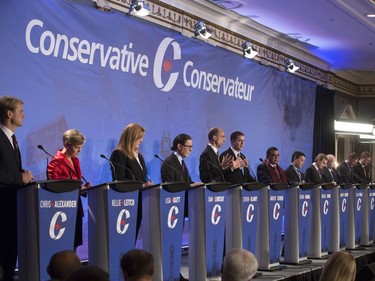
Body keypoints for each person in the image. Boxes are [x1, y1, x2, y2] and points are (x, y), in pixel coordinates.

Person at [0, 96, 33, 280]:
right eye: (21, 111)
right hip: (2, 210)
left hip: (13, 208)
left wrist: (22, 175)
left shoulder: (12, 139)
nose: (24, 115)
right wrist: (18, 177)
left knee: (10, 259)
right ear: (9, 113)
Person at [47, 129, 91, 250]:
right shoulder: (55, 163)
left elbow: (74, 185)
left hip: (76, 208)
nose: (80, 151)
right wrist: (78, 188)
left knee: (75, 245)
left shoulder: (75, 160)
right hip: (62, 211)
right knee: (63, 247)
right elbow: (57, 188)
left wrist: (83, 188)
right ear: (67, 144)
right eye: (77, 147)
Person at [110, 123, 153, 240]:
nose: (142, 141)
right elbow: (119, 179)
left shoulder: (140, 156)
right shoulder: (118, 154)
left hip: (139, 201)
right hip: (126, 203)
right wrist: (142, 184)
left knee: (133, 237)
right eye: (140, 138)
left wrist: (147, 184)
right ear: (131, 137)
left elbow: (142, 177)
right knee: (124, 239)